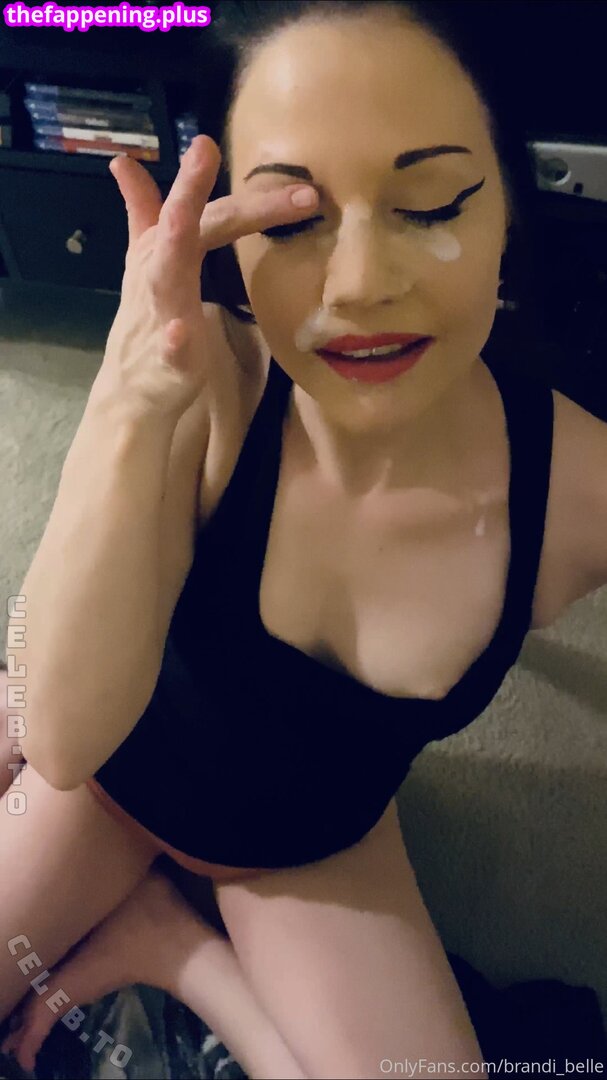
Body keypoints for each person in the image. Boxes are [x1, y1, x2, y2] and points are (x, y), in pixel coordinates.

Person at [1, 2, 605, 1077]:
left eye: (430, 204)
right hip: (107, 788)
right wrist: (128, 405)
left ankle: (173, 942)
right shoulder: (208, 380)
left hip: (313, 840)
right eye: (291, 221)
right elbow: (65, 741)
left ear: (511, 206)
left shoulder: (577, 487)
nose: (361, 283)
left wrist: (195, 966)